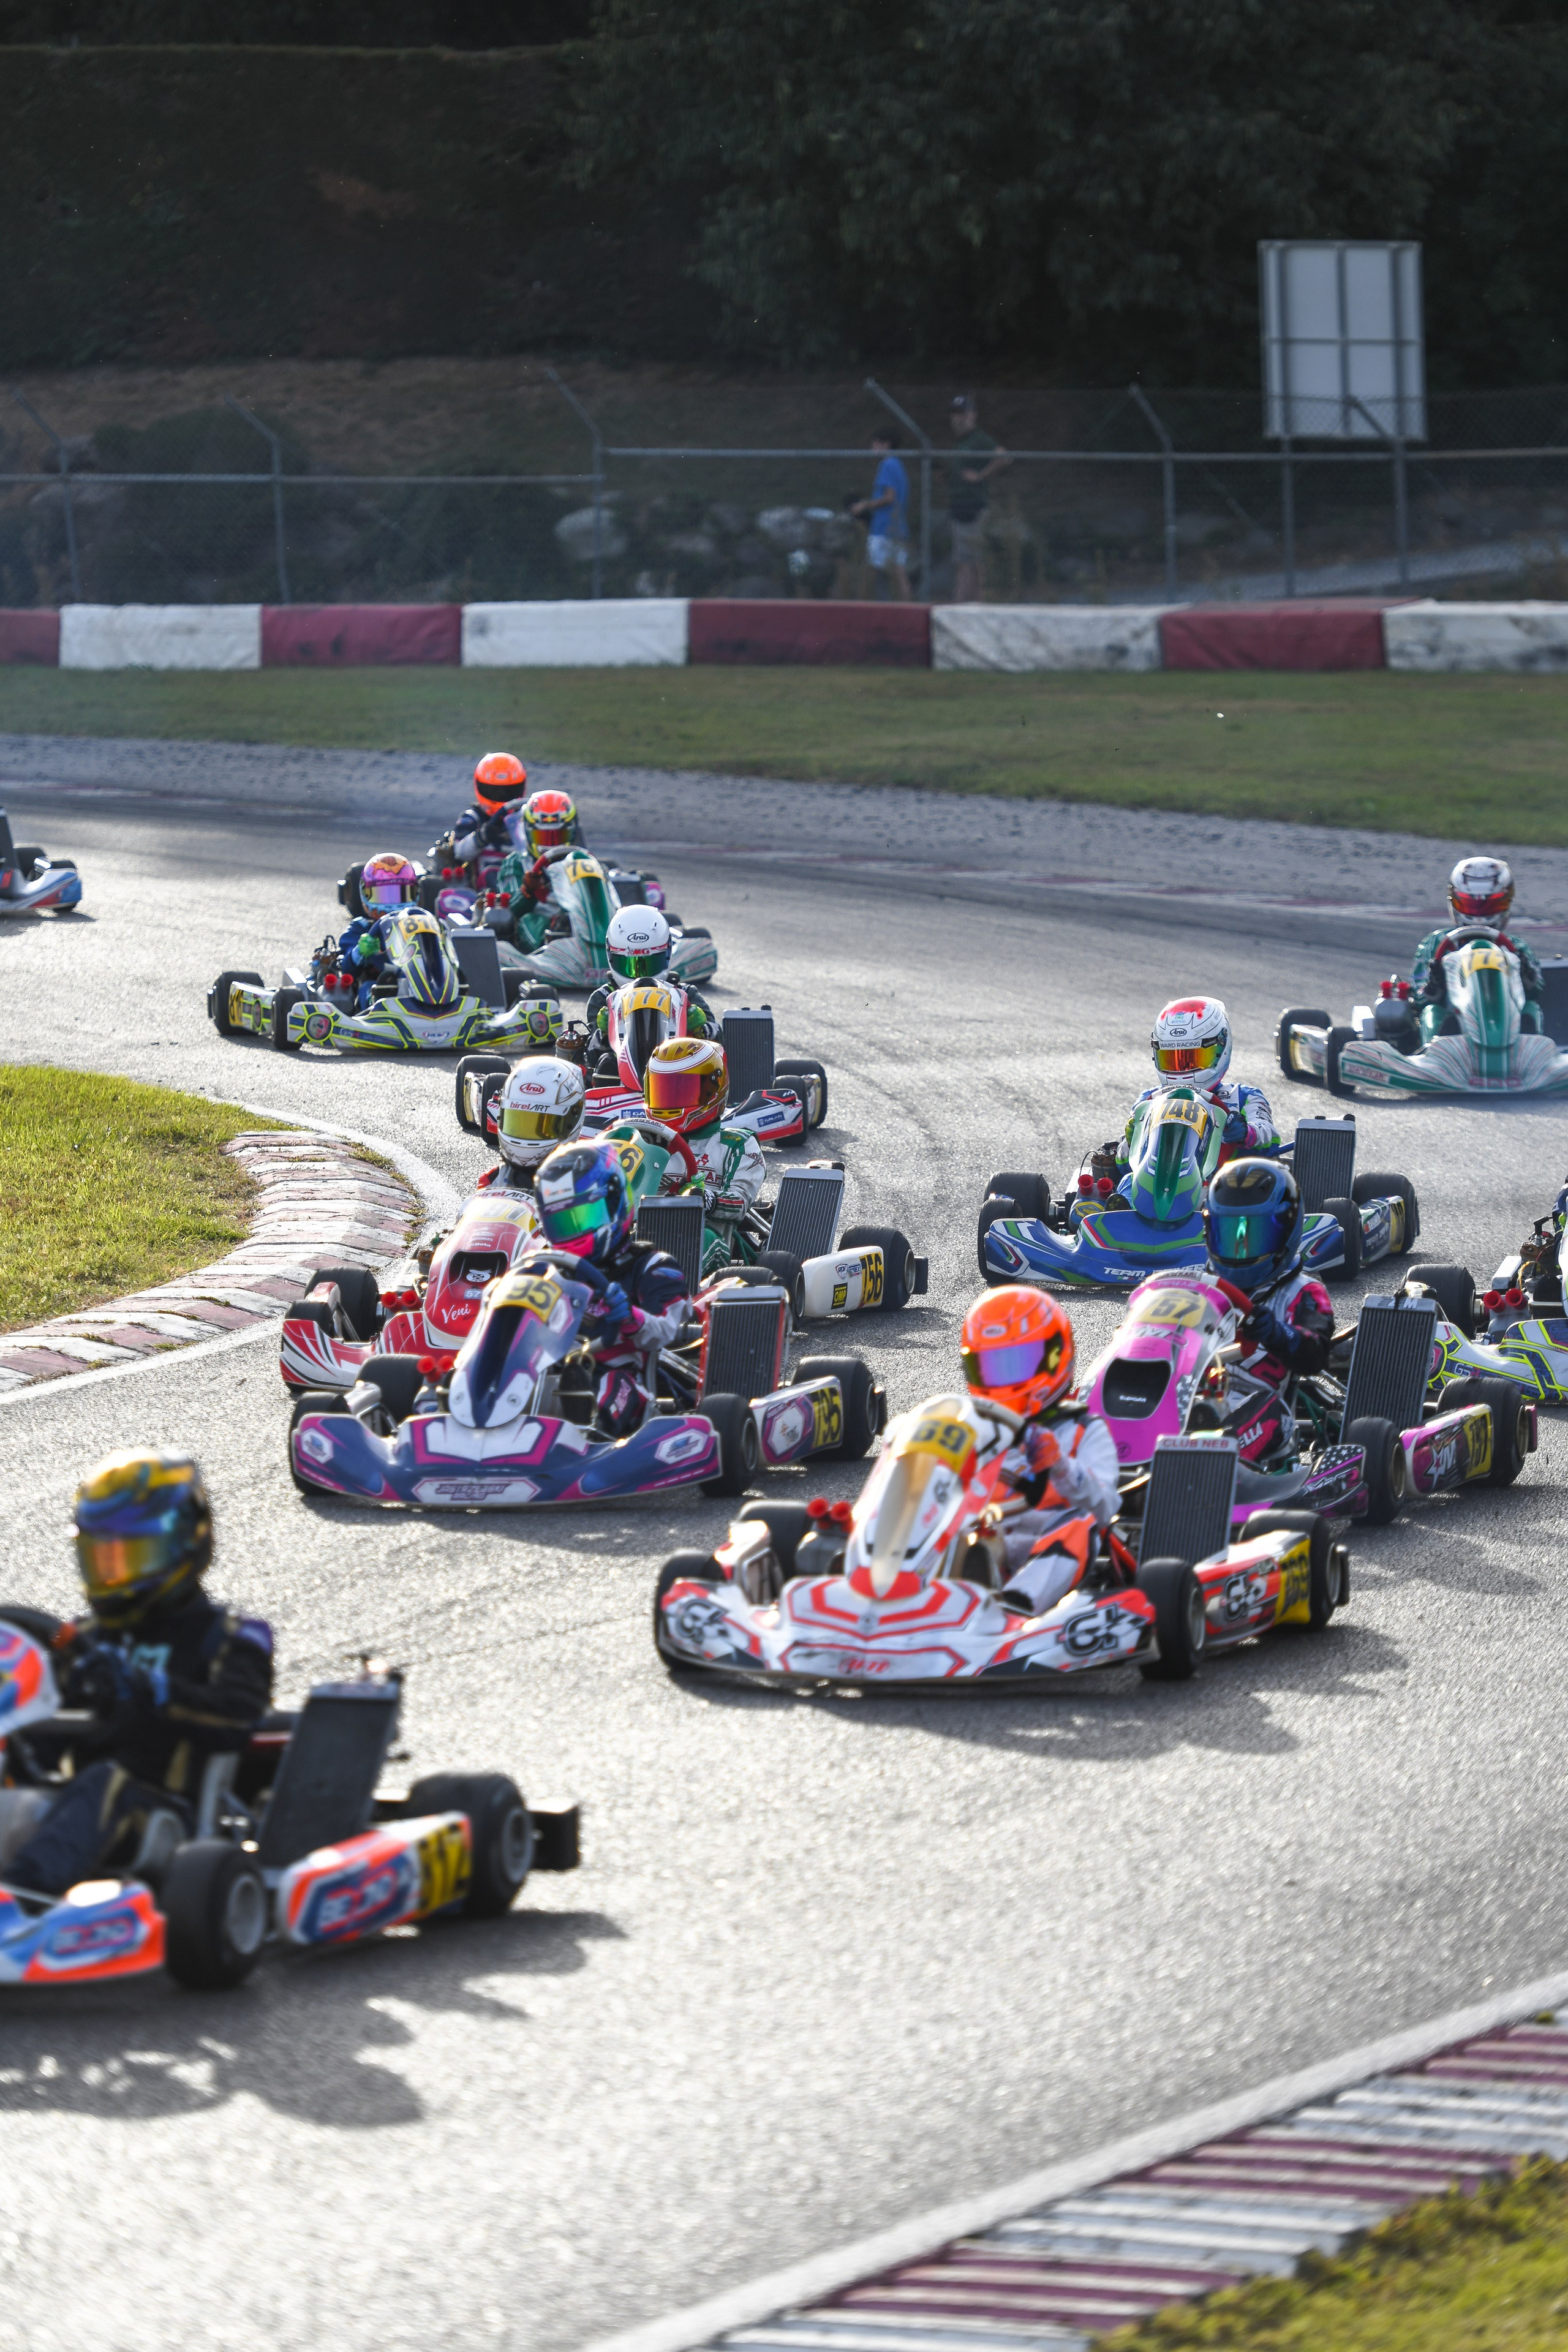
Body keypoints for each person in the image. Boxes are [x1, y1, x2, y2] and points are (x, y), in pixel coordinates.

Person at [2, 1453, 273, 1899]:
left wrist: (147, 1688)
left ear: (185, 1542)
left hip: (174, 1823)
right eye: (103, 1559)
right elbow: (40, 1739)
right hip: (74, 1814)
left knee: (105, 1782)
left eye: (132, 1557)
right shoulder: (82, 1640)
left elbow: (239, 1718)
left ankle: (21, 1897)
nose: (114, 1575)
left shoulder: (228, 1637)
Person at [959, 1287, 1120, 1617]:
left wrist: (1061, 1466)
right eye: (990, 1367)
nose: (1001, 1380)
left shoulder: (1083, 1431)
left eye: (1014, 1364)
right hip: (985, 1541)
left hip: (1048, 1545)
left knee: (1081, 1522)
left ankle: (1017, 1605)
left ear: (1054, 1357)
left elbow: (1105, 1508)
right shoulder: (970, 1431)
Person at [527, 1137, 692, 1436]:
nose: (574, 1232)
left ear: (616, 1203)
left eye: (584, 1218)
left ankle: (589, 1430)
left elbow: (667, 1331)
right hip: (542, 1367)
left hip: (621, 1372)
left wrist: (630, 1317)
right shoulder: (546, 1270)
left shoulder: (653, 1266)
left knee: (607, 1386)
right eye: (563, 1223)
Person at [1204, 1159, 1334, 1464]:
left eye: (1254, 1235)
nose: (1240, 1247)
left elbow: (1315, 1355)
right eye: (1229, 1234)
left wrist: (1277, 1332)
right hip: (1189, 1401)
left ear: (1286, 1231)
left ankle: (1207, 1465)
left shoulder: (1304, 1293)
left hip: (1262, 1410)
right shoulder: (1197, 1286)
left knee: (1264, 1408)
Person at [1110, 997, 1278, 1183]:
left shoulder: (1243, 1097)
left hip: (1224, 1189)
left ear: (1221, 1047)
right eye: (1172, 1059)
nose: (1182, 1069)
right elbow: (1123, 1164)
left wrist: (1248, 1133)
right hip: (1156, 1187)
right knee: (1126, 1184)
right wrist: (1132, 1141)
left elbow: (1271, 1137)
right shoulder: (1149, 1101)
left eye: (1193, 1058)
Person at [1411, 856, 1544, 1037]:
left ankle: (1531, 1050)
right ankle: (1434, 1050)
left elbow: (1537, 992)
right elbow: (1419, 998)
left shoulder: (1516, 947)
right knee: (1432, 1012)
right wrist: (1436, 982)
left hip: (1507, 1025)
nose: (1479, 914)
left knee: (1531, 1008)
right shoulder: (1436, 942)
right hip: (1456, 1026)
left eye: (1491, 904)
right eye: (1470, 904)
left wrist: (1525, 972)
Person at [584, 907, 717, 1082]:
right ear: (612, 957)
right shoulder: (603, 998)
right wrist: (603, 1033)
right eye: (631, 966)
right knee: (605, 1061)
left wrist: (700, 1029)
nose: (641, 976)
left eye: (650, 964)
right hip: (618, 1079)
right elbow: (590, 1055)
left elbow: (719, 1041)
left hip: (681, 1079)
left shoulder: (686, 994)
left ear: (666, 954)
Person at [642, 1037, 765, 1217]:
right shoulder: (640, 1142)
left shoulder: (737, 1144)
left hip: (706, 1229)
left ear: (715, 1090)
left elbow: (740, 1201)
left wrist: (705, 1199)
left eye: (684, 1092)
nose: (670, 1101)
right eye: (663, 1091)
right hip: (641, 1228)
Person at [472, 1059, 587, 1197]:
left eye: (542, 1129)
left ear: (572, 1119)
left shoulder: (585, 1180)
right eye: (517, 1123)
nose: (525, 1136)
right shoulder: (494, 1179)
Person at [336, 850, 421, 1007]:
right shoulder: (361, 928)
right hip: (382, 987)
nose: (393, 903)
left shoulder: (422, 924)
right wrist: (360, 952)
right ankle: (377, 1006)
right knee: (369, 988)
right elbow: (346, 969)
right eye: (384, 895)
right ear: (366, 893)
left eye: (401, 894)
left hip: (421, 982)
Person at [946, 394, 1009, 602]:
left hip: (973, 506)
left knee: (970, 561)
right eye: (955, 414)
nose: (958, 419)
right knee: (968, 560)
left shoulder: (979, 439)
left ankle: (963, 604)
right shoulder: (960, 442)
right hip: (959, 505)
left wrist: (981, 475)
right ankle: (972, 603)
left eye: (962, 414)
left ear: (973, 415)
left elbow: (1003, 456)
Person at [432, 753, 537, 876]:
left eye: (509, 792)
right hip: (483, 884)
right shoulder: (472, 819)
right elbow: (460, 853)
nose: (501, 797)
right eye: (494, 792)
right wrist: (483, 837)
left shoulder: (528, 817)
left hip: (523, 879)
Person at [851, 429, 911, 603]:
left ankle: (863, 609)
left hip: (884, 528)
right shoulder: (898, 464)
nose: (873, 448)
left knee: (870, 572)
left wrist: (865, 505)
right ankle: (907, 610)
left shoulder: (887, 464)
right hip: (898, 528)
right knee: (898, 574)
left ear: (886, 445)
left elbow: (889, 497)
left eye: (876, 443)